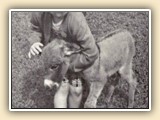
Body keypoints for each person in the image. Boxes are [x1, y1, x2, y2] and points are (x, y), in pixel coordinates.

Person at [28, 12, 99, 108]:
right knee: (62, 88)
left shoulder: (76, 19)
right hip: (56, 60)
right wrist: (35, 41)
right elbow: (35, 28)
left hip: (75, 59)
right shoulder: (39, 12)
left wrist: (70, 66)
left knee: (76, 90)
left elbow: (92, 53)